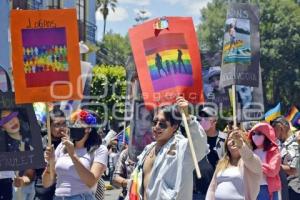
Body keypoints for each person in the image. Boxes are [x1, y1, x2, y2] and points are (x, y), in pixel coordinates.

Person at [126, 97, 207, 200]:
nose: (157, 127)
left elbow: (200, 144)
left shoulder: (182, 148)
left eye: (162, 124)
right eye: (154, 122)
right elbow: (136, 182)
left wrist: (187, 118)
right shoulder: (148, 149)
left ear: (174, 126)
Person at [42, 109, 108, 200]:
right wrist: (50, 163)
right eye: (74, 123)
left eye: (79, 124)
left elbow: (91, 182)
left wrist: (73, 155)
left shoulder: (99, 149)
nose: (74, 126)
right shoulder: (62, 146)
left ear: (88, 129)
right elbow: (46, 183)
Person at [206, 129, 262, 200]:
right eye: (229, 139)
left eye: (236, 138)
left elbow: (249, 158)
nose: (233, 141)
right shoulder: (221, 163)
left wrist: (241, 145)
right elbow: (212, 189)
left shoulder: (250, 162)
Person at [0, 108, 36, 200]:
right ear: (2, 127)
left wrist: (22, 180)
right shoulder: (3, 147)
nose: (11, 121)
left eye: (12, 116)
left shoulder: (31, 142)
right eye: (5, 120)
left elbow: (30, 173)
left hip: (27, 191)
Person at [193, 106, 227, 200]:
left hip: (218, 190)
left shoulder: (226, 139)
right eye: (200, 118)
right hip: (198, 192)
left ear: (215, 121)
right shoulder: (195, 140)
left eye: (206, 118)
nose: (202, 120)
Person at [34, 108, 68, 200]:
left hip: (64, 194)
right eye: (57, 125)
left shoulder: (71, 143)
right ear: (48, 126)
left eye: (64, 124)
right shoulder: (40, 143)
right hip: (43, 193)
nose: (61, 128)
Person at [249, 122, 281, 200]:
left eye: (259, 133)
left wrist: (256, 164)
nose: (255, 136)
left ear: (266, 135)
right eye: (253, 133)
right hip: (251, 188)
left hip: (266, 188)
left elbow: (273, 171)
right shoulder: (250, 150)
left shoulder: (273, 151)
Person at [272, 116, 300, 200]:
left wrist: (275, 166)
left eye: (275, 130)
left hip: (294, 188)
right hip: (287, 187)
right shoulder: (283, 144)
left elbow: (293, 170)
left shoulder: (293, 144)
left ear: (281, 127)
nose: (274, 134)